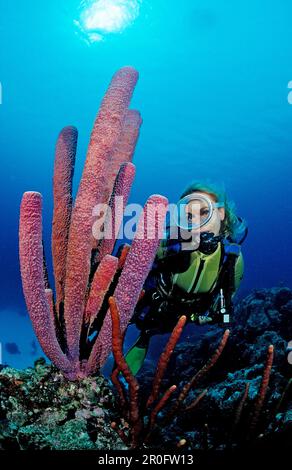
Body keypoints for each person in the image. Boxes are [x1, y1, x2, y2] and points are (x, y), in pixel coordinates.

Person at [122, 181, 247, 376]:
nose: (197, 222)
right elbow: (133, 270)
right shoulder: (168, 242)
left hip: (188, 317)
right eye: (189, 216)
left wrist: (206, 317)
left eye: (204, 212)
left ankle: (144, 339)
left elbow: (224, 305)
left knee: (153, 333)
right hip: (152, 308)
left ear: (221, 213)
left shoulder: (231, 259)